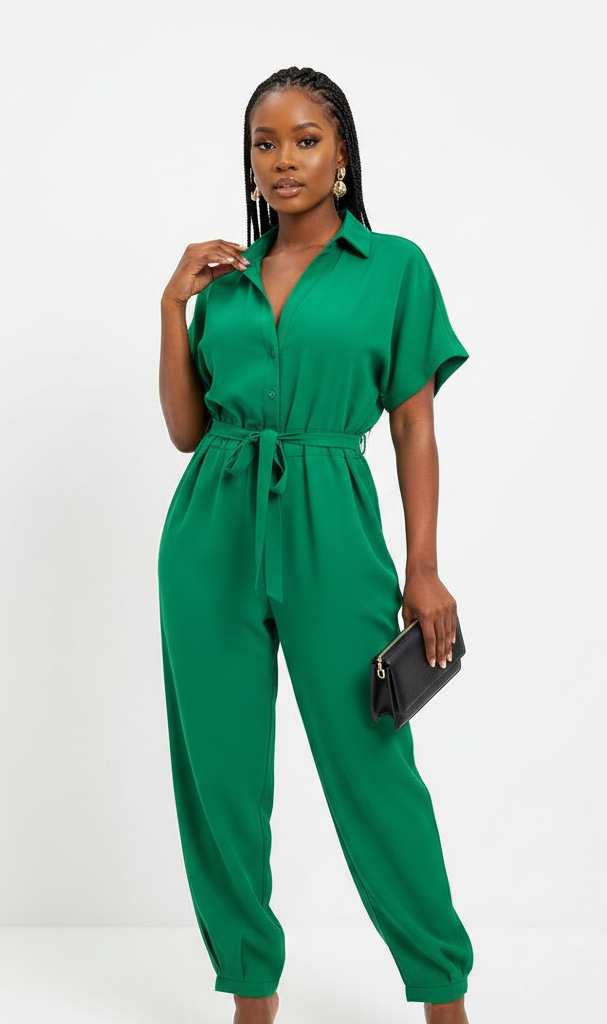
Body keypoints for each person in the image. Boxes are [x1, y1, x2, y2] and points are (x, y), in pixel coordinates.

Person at [157, 66, 473, 1024]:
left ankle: (443, 993)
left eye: (304, 139)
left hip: (333, 527)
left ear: (342, 155)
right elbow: (186, 430)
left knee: (375, 769)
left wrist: (422, 568)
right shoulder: (223, 283)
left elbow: (414, 426)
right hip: (211, 533)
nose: (283, 159)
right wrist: (170, 307)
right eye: (265, 143)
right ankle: (251, 994)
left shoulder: (394, 268)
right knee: (220, 776)